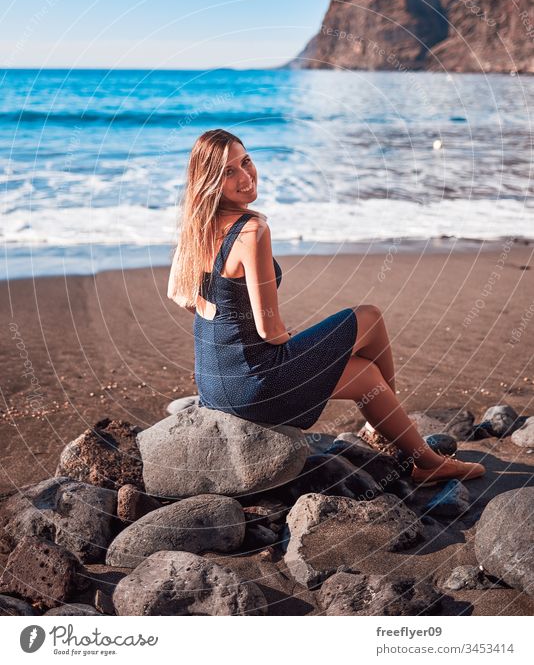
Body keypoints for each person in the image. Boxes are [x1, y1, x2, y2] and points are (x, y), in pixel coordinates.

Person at [168, 129, 485, 486]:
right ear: (211, 181)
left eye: (246, 161)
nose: (246, 176)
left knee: (366, 376)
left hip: (214, 382)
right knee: (368, 316)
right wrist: (289, 340)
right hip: (255, 384)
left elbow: (180, 297)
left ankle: (413, 451)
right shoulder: (251, 229)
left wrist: (230, 324)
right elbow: (268, 331)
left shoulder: (195, 226)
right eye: (229, 172)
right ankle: (407, 449)